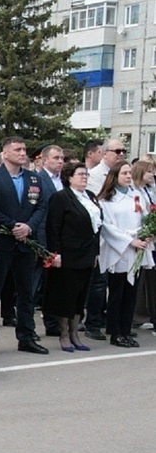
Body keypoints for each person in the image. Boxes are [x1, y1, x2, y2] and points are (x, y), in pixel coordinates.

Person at [0, 137, 49, 355]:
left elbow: (41, 206)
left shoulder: (33, 178)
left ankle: (26, 336)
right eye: (17, 149)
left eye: (24, 149)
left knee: (26, 292)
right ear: (5, 153)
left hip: (25, 242)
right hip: (2, 242)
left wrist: (28, 227)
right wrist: (12, 225)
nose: (22, 153)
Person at [43, 162, 102, 352]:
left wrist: (95, 252)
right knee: (66, 295)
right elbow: (53, 227)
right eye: (80, 174)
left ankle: (75, 332)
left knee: (80, 296)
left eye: (86, 174)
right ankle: (64, 334)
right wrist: (55, 253)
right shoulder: (61, 198)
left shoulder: (90, 196)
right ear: (69, 177)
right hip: (68, 254)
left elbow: (96, 228)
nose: (84, 177)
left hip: (87, 253)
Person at [97, 161, 154, 348]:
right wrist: (130, 241)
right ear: (115, 176)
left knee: (131, 294)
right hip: (119, 251)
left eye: (130, 173)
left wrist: (147, 234)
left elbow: (145, 218)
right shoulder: (106, 200)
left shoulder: (136, 195)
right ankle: (115, 332)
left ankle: (126, 329)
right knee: (117, 293)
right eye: (124, 173)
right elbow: (107, 227)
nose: (129, 176)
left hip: (137, 250)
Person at [84, 138, 128, 341]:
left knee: (118, 283)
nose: (121, 154)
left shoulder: (125, 177)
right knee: (99, 283)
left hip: (123, 239)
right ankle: (93, 323)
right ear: (104, 153)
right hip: (102, 237)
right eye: (117, 151)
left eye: (123, 151)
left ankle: (114, 323)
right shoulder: (94, 175)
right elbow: (97, 204)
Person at [35, 145, 66, 338]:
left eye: (62, 158)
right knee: (40, 283)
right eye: (56, 158)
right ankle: (45, 322)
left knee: (56, 283)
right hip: (44, 237)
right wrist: (41, 244)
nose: (60, 161)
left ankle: (55, 321)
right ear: (45, 160)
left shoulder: (64, 180)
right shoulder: (38, 179)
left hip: (61, 237)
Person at [132, 159, 156, 327]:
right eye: (149, 171)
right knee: (139, 279)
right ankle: (137, 316)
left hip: (149, 237)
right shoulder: (135, 191)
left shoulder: (148, 189)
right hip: (140, 237)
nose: (153, 174)